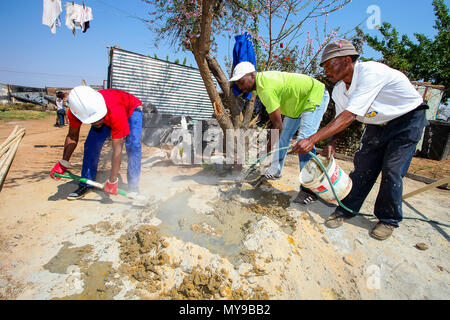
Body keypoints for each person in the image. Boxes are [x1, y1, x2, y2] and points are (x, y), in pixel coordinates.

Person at [293, 39, 428, 240]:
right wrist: (332, 142)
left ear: (347, 60)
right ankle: (346, 209)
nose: (326, 71)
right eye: (325, 67)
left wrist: (312, 139)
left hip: (407, 120)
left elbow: (349, 116)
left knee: (392, 169)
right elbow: (341, 118)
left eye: (330, 65)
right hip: (378, 123)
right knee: (363, 165)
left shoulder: (370, 72)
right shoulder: (339, 90)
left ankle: (388, 219)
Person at [229, 61, 330, 204]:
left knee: (304, 141)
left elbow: (277, 125)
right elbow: (276, 119)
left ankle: (309, 190)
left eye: (241, 81)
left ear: (252, 75)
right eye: (237, 84)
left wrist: (264, 152)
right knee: (283, 137)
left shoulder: (265, 88)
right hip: (297, 105)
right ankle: (275, 170)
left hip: (314, 95)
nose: (240, 86)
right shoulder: (260, 85)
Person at [50, 86, 143, 200]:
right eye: (92, 121)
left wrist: (113, 180)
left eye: (98, 119)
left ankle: (133, 187)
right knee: (91, 145)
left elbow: (117, 148)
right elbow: (72, 136)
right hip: (108, 113)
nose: (97, 122)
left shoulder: (115, 109)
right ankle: (87, 184)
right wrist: (63, 162)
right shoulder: (75, 111)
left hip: (130, 110)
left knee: (133, 145)